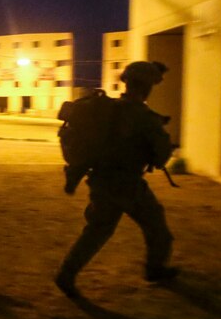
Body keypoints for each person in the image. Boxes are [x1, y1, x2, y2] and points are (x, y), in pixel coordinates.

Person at [55, 60, 180, 298]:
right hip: (128, 185)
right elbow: (162, 158)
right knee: (157, 228)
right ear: (147, 88)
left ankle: (66, 274)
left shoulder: (106, 109)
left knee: (97, 231)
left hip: (101, 182)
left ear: (126, 83)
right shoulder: (145, 117)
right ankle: (155, 269)